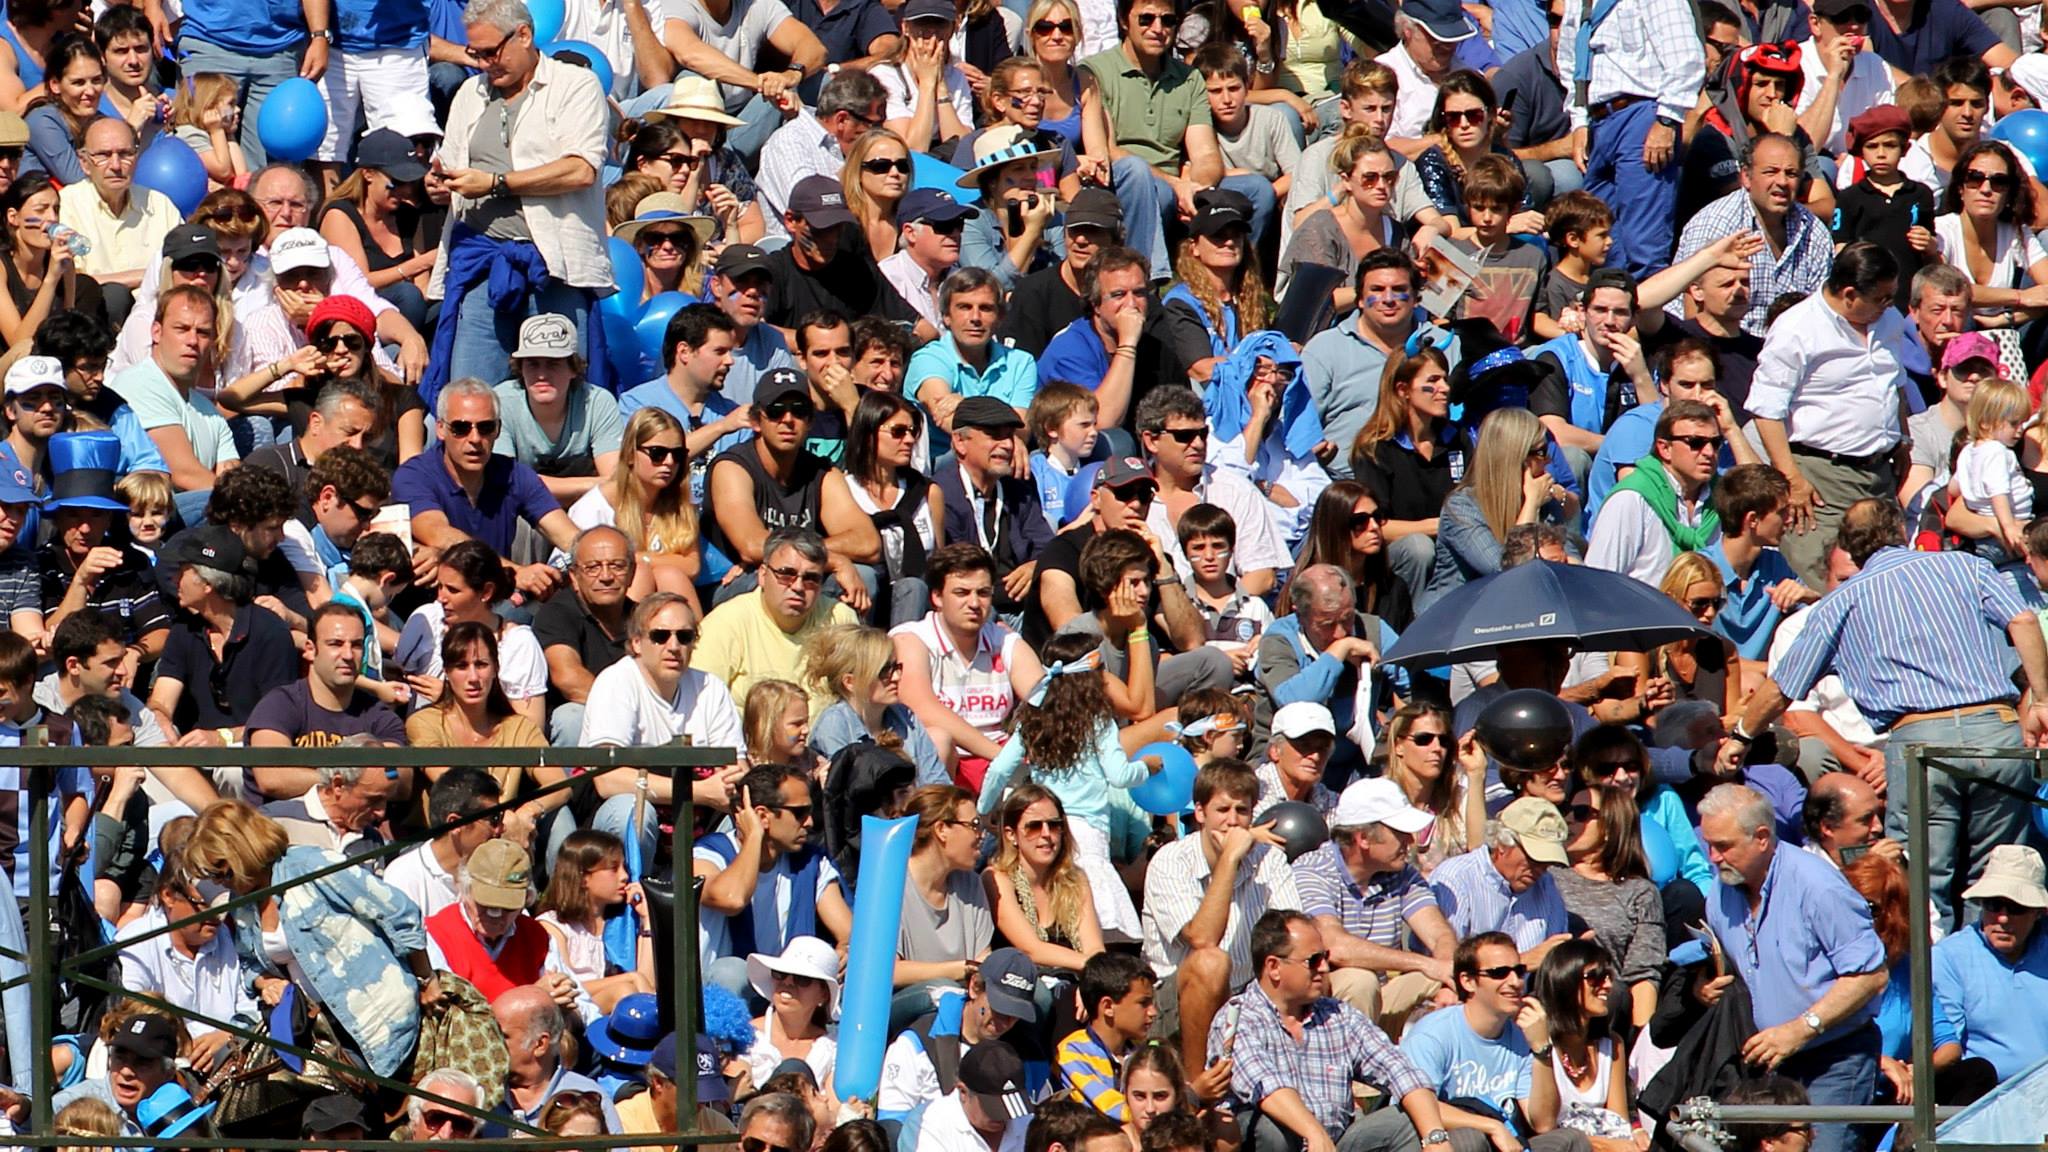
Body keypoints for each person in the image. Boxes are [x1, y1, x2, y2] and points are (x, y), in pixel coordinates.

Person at [1735, 497, 2046, 934]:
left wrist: (1739, 734)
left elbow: (1782, 688)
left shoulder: (1840, 602)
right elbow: (2025, 621)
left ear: (1853, 549)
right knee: (1995, 877)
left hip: (1921, 745)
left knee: (1921, 886)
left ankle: (1929, 993)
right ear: (1901, 532)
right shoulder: (1964, 567)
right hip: (1994, 732)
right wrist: (2043, 705)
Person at [427, 0, 610, 398]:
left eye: (491, 52)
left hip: (553, 265)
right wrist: (441, 186)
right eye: (476, 54)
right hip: (482, 261)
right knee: (470, 394)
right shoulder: (470, 93)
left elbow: (580, 169)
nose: (484, 63)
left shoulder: (575, 85)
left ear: (524, 35)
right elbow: (455, 167)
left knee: (564, 397)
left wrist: (497, 183)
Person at [183, 800, 443, 1078]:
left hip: (381, 1021)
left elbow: (397, 911)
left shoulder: (309, 865)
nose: (220, 882)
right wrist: (265, 982)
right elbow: (249, 964)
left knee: (333, 1112)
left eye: (223, 871)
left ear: (242, 848)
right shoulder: (241, 904)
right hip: (322, 1032)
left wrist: (426, 978)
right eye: (212, 876)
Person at [1698, 784, 1889, 1152]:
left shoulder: (1818, 886)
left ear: (1762, 838)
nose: (1713, 856)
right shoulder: (1721, 889)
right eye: (1709, 844)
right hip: (1768, 1060)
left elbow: (1871, 974)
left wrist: (1802, 1029)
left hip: (1835, 1055)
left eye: (1723, 846)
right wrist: (1703, 987)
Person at [1218, 909, 1462, 1152]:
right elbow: (1266, 1086)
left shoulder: (1337, 1015)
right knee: (1271, 1130)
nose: (1325, 967)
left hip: (1337, 1142)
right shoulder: (1239, 1018)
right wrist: (1314, 1133)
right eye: (1313, 960)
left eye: (1325, 956)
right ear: (1274, 967)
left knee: (1412, 1120)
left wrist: (1435, 1138)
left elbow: (1399, 1069)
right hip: (1282, 1141)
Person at [1743, 244, 1911, 585]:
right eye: (1881, 298)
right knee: (1820, 580)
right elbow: (1766, 409)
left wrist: (1902, 438)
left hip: (1879, 473)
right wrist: (1793, 480)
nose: (1889, 305)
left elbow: (1896, 384)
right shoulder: (1797, 327)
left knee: (1885, 580)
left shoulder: (1889, 322)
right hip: (1821, 477)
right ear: (1850, 294)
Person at [1141, 759, 1298, 1075]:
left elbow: (1294, 936)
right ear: (1199, 813)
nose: (1233, 821)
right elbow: (1203, 939)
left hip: (1252, 997)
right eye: (1222, 810)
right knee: (1211, 962)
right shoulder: (1170, 862)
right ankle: (1199, 1085)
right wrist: (1229, 860)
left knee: (1313, 965)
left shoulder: (1270, 861)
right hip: (1175, 1001)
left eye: (1242, 811)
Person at [1398, 931, 1594, 1152]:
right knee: (1470, 1139)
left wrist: (1542, 1051)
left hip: (1507, 1144)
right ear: (1468, 981)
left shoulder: (1521, 1035)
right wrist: (1491, 1126)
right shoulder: (1433, 1034)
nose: (1515, 982)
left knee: (1571, 1140)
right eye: (1499, 973)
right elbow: (1417, 1106)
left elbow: (1543, 1122)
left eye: (1518, 971)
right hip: (1449, 1143)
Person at [702, 368, 881, 609]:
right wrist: (835, 560)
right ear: (756, 421)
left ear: (809, 422)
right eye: (776, 411)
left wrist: (810, 556)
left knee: (862, 575)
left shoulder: (822, 473)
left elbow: (867, 542)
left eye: (799, 411)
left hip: (797, 577)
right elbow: (752, 547)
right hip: (740, 583)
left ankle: (831, 646)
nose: (788, 419)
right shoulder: (733, 467)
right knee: (773, 580)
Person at [1293, 777, 1458, 1033]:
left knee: (1457, 979)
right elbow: (1335, 947)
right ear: (1363, 839)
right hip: (1323, 1002)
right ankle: (1353, 1068)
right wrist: (1425, 963)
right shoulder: (1313, 870)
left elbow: (1439, 933)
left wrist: (1448, 975)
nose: (1410, 841)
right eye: (1400, 833)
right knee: (1359, 981)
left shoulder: (1401, 872)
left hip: (1383, 995)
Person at [391, 378, 580, 599]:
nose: (475, 439)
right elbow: (440, 536)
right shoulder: (414, 475)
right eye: (461, 428)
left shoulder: (514, 474)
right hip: (428, 610)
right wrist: (513, 572)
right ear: (440, 429)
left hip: (493, 604)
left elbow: (571, 539)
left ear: (498, 429)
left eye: (485, 427)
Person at [1552, 0, 1699, 279]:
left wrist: (1667, 119)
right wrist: (1579, 121)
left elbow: (1685, 56)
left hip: (1641, 113)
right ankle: (1610, 313)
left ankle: (1645, 319)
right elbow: (1570, 62)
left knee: (1642, 243)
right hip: (1597, 120)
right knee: (1597, 239)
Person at [892, 543, 1046, 777]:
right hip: (945, 760)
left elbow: (1045, 698)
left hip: (1000, 759)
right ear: (936, 597)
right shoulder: (911, 639)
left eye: (983, 593)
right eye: (961, 593)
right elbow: (924, 709)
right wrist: (1002, 757)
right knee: (938, 740)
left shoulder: (1005, 640)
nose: (974, 604)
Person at [145, 526, 296, 744]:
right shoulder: (184, 630)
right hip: (195, 749)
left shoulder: (270, 632)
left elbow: (278, 719)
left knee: (231, 772)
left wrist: (222, 737)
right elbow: (161, 700)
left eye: (183, 571)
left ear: (207, 584)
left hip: (253, 750)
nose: (174, 579)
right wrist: (160, 718)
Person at [1670, 135, 1832, 338]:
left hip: (1790, 350)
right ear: (1746, 177)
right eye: (1770, 172)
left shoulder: (1814, 232)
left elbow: (1819, 311)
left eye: (1791, 174)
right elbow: (1694, 309)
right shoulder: (1717, 223)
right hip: (1719, 347)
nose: (1781, 182)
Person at [1422, 408, 1576, 611]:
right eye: (1541, 452)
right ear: (1515, 458)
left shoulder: (1545, 502)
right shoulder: (1461, 508)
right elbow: (1505, 572)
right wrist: (1530, 504)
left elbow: (1573, 558)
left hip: (1514, 614)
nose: (1548, 460)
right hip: (1454, 618)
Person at [109, 285, 236, 524]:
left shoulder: (209, 411)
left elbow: (231, 474)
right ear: (156, 332)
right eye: (182, 329)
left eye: (203, 333)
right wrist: (244, 503)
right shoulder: (139, 382)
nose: (192, 341)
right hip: (147, 517)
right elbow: (183, 473)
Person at [693, 527, 861, 705]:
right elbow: (701, 707)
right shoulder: (725, 624)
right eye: (786, 574)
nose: (798, 586)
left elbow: (861, 697)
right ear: (763, 575)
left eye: (811, 578)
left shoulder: (839, 619)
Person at [1550, 770, 1663, 1029]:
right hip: (1553, 994)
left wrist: (1640, 1045)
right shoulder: (1548, 877)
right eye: (1566, 811)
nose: (1567, 820)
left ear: (1612, 826)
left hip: (1607, 1006)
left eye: (1580, 814)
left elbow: (1643, 973)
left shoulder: (1640, 892)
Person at [396, 539, 549, 729]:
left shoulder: (518, 644)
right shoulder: (427, 621)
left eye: (453, 590)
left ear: (486, 592)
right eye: (440, 587)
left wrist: (450, 698)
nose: (441, 598)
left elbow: (531, 726)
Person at [1930, 844, 2048, 1082]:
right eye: (1993, 904)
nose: (2003, 918)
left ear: (2038, 912)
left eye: (2016, 907)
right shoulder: (1949, 957)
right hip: (1984, 1104)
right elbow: (1946, 1045)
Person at [935, 397, 1052, 623]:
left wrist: (1037, 566)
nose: (1008, 445)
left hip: (1025, 610)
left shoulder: (1020, 488)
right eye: (994, 435)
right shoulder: (940, 493)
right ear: (960, 441)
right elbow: (955, 568)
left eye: (1009, 435)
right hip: (973, 613)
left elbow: (1045, 545)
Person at [1585, 400, 1726, 586]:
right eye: (1696, 443)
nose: (1709, 452)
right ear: (1665, 448)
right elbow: (1598, 582)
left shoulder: (1723, 497)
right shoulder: (1631, 499)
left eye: (1715, 443)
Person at [493, 313, 625, 510]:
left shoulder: (598, 402)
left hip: (587, 507)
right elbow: (507, 482)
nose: (541, 375)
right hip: (523, 510)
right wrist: (591, 484)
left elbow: (616, 483)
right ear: (519, 368)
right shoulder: (501, 401)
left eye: (553, 363)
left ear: (573, 368)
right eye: (532, 363)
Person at [762, 175, 922, 333]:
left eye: (838, 226)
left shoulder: (856, 270)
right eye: (821, 228)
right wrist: (815, 344)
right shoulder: (772, 273)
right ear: (791, 221)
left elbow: (919, 326)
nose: (831, 239)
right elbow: (754, 330)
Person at [247, 608, 407, 762]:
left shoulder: (379, 716)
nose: (348, 655)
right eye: (335, 644)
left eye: (357, 645)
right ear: (310, 650)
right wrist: (354, 781)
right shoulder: (279, 705)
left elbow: (399, 775)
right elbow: (272, 777)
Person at [1429, 798, 1572, 963]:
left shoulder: (1546, 885)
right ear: (1502, 844)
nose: (1541, 868)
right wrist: (1522, 962)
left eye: (1548, 862)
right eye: (1534, 858)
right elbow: (1448, 965)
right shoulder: (1456, 878)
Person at [806, 622, 947, 785]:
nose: (896, 677)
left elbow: (937, 782)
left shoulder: (905, 715)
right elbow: (852, 796)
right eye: (883, 671)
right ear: (850, 682)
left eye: (896, 667)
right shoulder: (833, 726)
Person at [988, 785, 1106, 977]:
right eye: (1034, 826)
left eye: (1054, 825)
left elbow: (1094, 947)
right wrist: (1095, 969)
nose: (1046, 834)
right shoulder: (997, 878)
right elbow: (1032, 949)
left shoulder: (1076, 879)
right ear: (1011, 835)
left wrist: (1091, 986)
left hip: (1073, 981)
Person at [1526, 941, 1637, 1144]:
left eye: (1609, 976)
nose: (1608, 985)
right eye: (1595, 977)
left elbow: (1618, 1124)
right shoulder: (1536, 1043)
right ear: (1564, 979)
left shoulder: (1612, 1045)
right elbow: (1543, 1126)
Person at [534, 525, 635, 746]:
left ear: (632, 573)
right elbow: (569, 680)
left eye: (617, 566)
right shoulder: (556, 613)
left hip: (635, 718)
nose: (606, 576)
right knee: (572, 718)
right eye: (593, 568)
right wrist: (631, 710)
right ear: (574, 576)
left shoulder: (644, 619)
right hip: (585, 718)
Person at [56, 116, 179, 296]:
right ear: (84, 163)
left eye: (125, 154)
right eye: (103, 155)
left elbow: (181, 268)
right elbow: (71, 280)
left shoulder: (160, 205)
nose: (116, 165)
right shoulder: (66, 205)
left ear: (137, 157)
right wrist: (145, 276)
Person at [535, 829, 654, 1012]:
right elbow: (564, 986)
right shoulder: (554, 926)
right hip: (576, 1014)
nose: (624, 876)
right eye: (613, 869)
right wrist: (629, 978)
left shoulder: (622, 924)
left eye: (624, 868)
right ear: (583, 877)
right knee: (623, 991)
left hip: (628, 1009)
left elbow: (648, 986)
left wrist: (647, 920)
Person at [405, 621, 549, 757]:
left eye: (481, 665)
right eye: (461, 666)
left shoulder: (520, 729)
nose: (473, 677)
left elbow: (558, 781)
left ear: (496, 669)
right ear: (446, 672)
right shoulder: (425, 723)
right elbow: (446, 778)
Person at [490, 984, 623, 1130]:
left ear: (540, 1044)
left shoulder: (590, 1100)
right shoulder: (477, 1093)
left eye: (502, 1035)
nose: (490, 1041)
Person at [385, 767, 506, 919]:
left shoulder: (498, 867)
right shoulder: (405, 876)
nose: (502, 828)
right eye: (494, 819)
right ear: (455, 824)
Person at [0, 173, 104, 347]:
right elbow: (20, 345)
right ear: (13, 217)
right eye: (41, 210)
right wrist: (51, 279)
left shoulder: (60, 262)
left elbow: (67, 328)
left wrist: (65, 272)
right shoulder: (3, 266)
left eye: (55, 209)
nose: (52, 218)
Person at [1056, 953, 1154, 1120]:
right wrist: (1191, 1099)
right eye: (1143, 1003)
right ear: (1108, 1006)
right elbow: (1111, 1110)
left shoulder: (1144, 1052)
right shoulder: (1073, 1052)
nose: (1153, 1012)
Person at [746, 936, 841, 1089]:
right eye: (780, 973)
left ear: (823, 995)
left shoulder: (833, 1048)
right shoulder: (745, 1037)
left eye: (802, 979)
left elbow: (833, 1107)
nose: (788, 982)